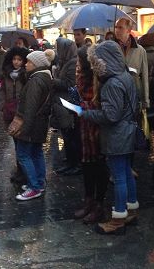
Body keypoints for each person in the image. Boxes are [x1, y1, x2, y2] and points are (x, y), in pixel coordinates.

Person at [81, 41, 139, 235]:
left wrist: (86, 113)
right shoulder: (126, 76)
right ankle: (131, 209)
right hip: (128, 131)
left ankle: (118, 218)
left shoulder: (112, 84)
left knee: (120, 176)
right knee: (127, 172)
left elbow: (110, 116)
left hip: (117, 136)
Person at [8, 51, 53, 201]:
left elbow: (31, 107)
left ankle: (34, 187)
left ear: (36, 64)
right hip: (39, 124)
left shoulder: (36, 80)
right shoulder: (44, 77)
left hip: (32, 125)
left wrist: (24, 130)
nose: (25, 64)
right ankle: (39, 183)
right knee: (36, 153)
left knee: (24, 154)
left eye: (28, 62)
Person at [73, 46, 108, 224]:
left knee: (99, 166)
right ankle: (89, 201)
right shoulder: (81, 78)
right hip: (84, 127)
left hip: (96, 128)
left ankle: (99, 205)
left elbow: (100, 106)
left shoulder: (98, 80)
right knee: (87, 165)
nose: (77, 65)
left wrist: (83, 107)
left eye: (79, 61)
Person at [51, 38, 81, 176]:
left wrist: (53, 81)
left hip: (69, 104)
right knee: (67, 135)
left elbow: (70, 84)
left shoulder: (72, 62)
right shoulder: (63, 62)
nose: (57, 50)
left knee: (71, 136)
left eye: (59, 48)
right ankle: (70, 161)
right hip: (62, 103)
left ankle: (75, 163)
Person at [0, 47, 29, 184]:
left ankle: (24, 171)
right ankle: (19, 169)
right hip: (9, 111)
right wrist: (3, 105)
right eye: (14, 59)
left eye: (19, 59)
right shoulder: (6, 74)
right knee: (15, 141)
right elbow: (3, 91)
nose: (16, 62)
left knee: (22, 141)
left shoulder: (26, 75)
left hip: (21, 111)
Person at [114, 18, 149, 109]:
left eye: (120, 27)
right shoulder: (111, 48)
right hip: (115, 94)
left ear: (128, 31)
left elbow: (144, 76)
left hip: (134, 95)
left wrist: (145, 100)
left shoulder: (140, 50)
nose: (117, 30)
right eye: (116, 27)